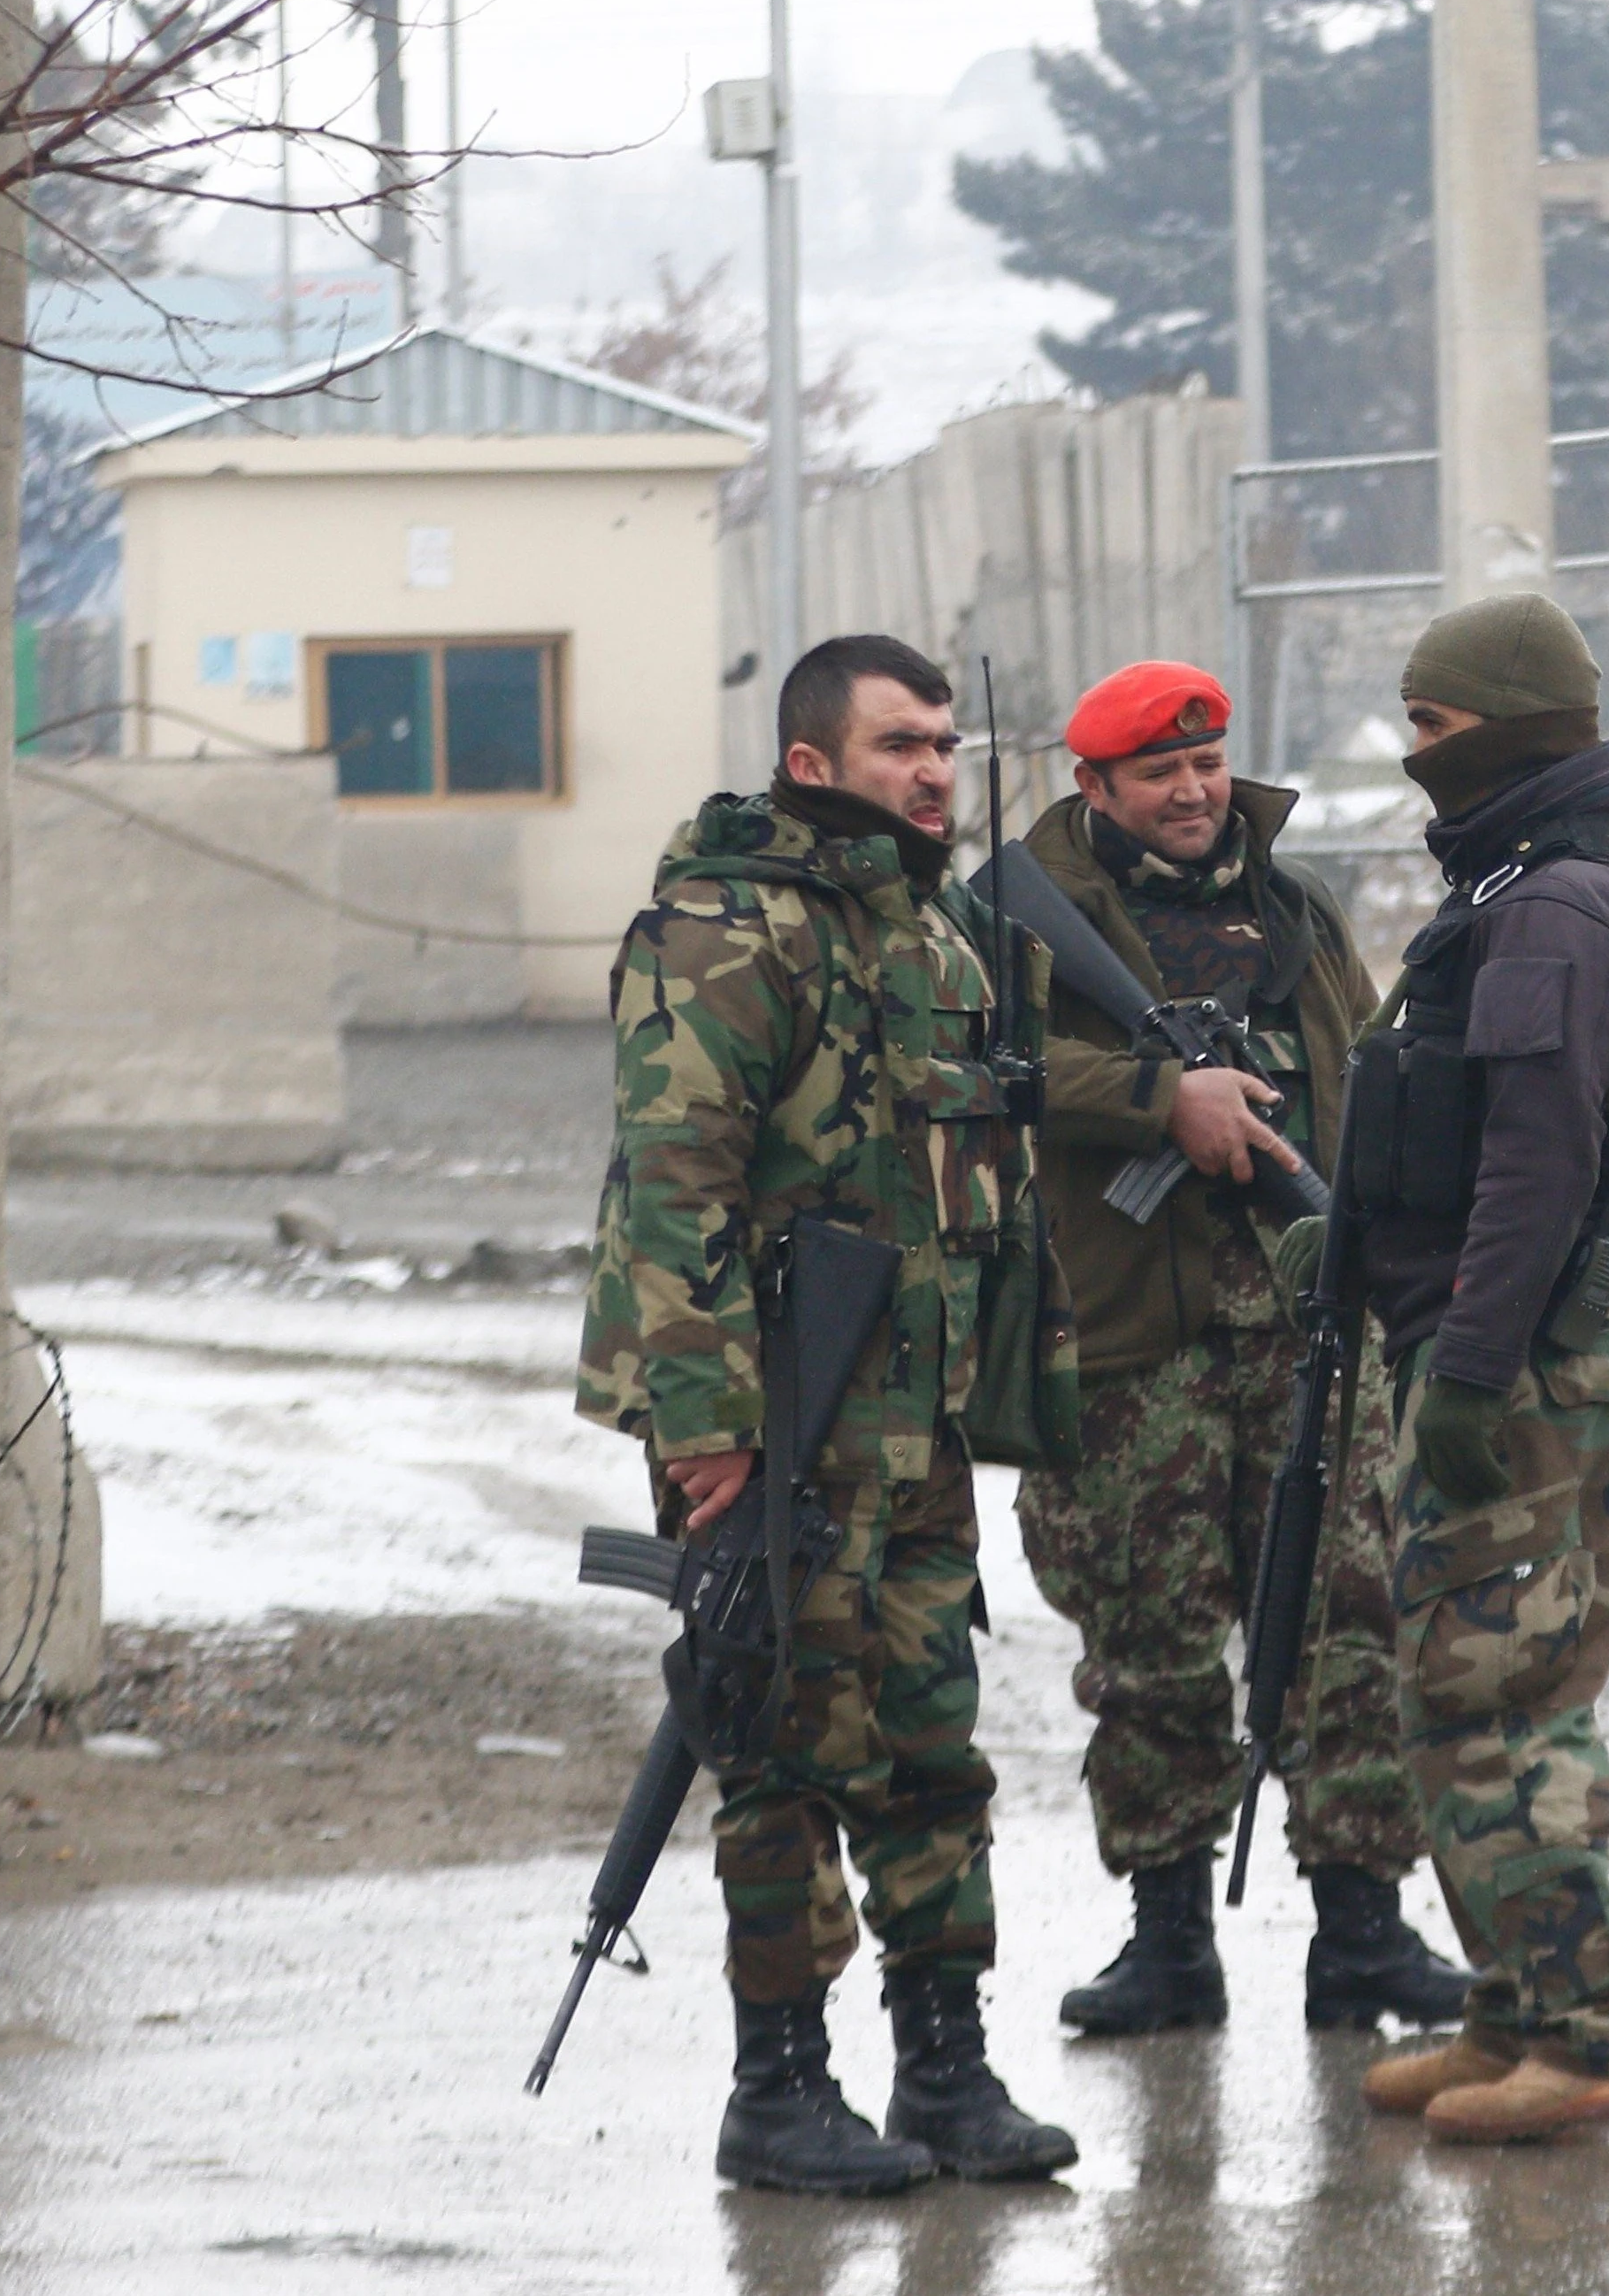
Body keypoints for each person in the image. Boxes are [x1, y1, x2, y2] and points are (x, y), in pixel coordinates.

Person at [573, 633, 1078, 2194]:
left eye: (942, 742)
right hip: (774, 1420)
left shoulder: (937, 938)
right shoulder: (725, 928)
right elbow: (678, 1188)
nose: (933, 768)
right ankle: (779, 2086)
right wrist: (711, 1424)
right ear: (812, 764)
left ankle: (944, 2069)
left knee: (928, 1735)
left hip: (908, 1424)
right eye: (897, 746)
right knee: (783, 1740)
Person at [1001, 658, 1475, 2038]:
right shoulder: (1018, 923)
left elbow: (1362, 1062)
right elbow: (988, 1065)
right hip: (1129, 1340)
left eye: (1209, 765)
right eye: (1160, 773)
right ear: (1095, 787)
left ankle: (1364, 1934)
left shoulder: (1296, 907)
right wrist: (1162, 1097)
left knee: (1350, 1622)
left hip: (1305, 1328)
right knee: (1148, 1639)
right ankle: (1167, 1941)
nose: (1195, 793)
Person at [1345, 594, 1609, 2148]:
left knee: (1502, 1698)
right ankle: (1519, 2001)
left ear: (1502, 722)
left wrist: (1470, 1368)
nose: (1417, 755)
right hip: (1506, 1340)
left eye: (1430, 726)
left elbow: (1538, 1162)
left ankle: (1601, 2024)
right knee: (1462, 1687)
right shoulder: (1524, 880)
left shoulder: (1548, 905)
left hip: (1521, 1360)